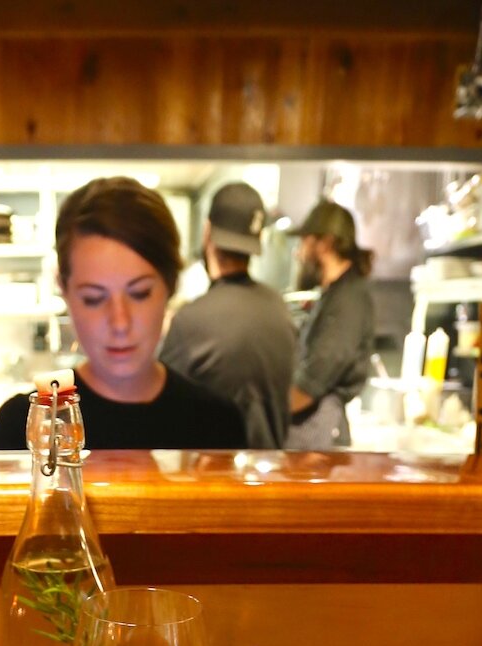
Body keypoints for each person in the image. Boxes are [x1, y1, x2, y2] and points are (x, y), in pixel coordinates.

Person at [0, 177, 246, 452]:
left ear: (171, 285)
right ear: (64, 290)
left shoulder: (216, 423)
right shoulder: (26, 426)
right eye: (94, 299)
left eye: (140, 293)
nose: (120, 322)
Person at [160, 181, 296, 451]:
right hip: (272, 474)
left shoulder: (192, 319)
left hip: (213, 482)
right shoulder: (279, 309)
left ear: (207, 232)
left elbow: (162, 407)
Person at [286, 198, 375, 450]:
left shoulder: (349, 299)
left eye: (305, 242)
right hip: (314, 430)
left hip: (319, 434)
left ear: (325, 244)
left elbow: (312, 381)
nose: (299, 253)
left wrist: (269, 419)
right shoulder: (335, 294)